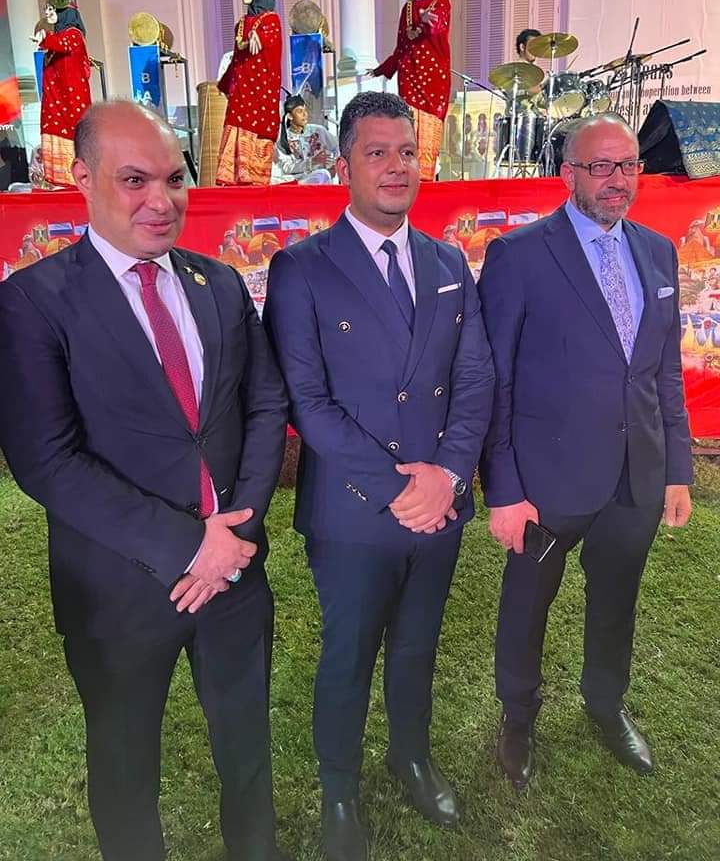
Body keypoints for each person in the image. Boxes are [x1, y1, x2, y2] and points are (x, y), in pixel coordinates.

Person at [0, 100, 290, 861]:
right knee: (125, 766)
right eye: (135, 180)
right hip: (119, 590)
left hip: (235, 572)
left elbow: (265, 405)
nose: (161, 201)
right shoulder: (33, 300)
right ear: (81, 177)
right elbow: (45, 459)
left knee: (247, 752)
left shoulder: (219, 283)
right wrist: (189, 546)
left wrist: (236, 531)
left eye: (173, 178)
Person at [264, 92, 495, 861]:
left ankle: (411, 758)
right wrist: (402, 488)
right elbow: (308, 403)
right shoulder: (301, 268)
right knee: (350, 654)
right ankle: (339, 791)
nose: (397, 167)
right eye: (377, 153)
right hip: (356, 509)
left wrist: (450, 475)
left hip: (440, 505)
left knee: (418, 645)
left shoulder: (448, 261)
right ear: (343, 166)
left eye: (406, 152)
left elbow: (475, 377)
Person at [478, 112, 693, 791]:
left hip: (636, 475)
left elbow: (663, 373)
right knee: (527, 602)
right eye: (600, 166)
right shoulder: (519, 256)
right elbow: (493, 382)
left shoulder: (658, 251)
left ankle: (605, 703)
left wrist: (677, 470)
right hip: (546, 481)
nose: (616, 180)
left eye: (627, 165)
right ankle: (518, 716)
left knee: (617, 597)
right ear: (568, 173)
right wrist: (504, 488)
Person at [370, 0, 451, 181]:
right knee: (407, 133)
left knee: (427, 133)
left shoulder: (441, 2)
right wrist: (382, 68)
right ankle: (407, 181)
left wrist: (424, 22)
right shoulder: (408, 6)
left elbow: (438, 29)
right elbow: (401, 45)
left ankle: (426, 182)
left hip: (432, 80)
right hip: (409, 78)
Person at [217, 0, 282, 185]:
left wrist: (260, 36)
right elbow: (237, 58)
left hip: (261, 90)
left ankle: (254, 177)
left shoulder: (271, 20)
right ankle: (233, 176)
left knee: (257, 125)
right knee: (236, 122)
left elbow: (271, 41)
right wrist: (225, 83)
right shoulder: (241, 24)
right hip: (241, 90)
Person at [32, 0, 92, 187]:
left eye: (52, 10)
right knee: (54, 129)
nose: (48, 15)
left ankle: (74, 177)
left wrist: (45, 38)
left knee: (72, 132)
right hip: (55, 99)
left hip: (70, 99)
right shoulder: (58, 37)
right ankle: (58, 177)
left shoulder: (73, 35)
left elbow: (63, 45)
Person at [272, 94, 339, 184]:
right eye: (300, 111)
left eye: (305, 110)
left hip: (318, 176)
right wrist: (311, 162)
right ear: (290, 116)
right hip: (296, 179)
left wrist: (334, 164)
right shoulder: (283, 138)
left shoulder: (318, 130)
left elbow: (338, 147)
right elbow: (286, 167)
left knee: (322, 174)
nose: (305, 114)